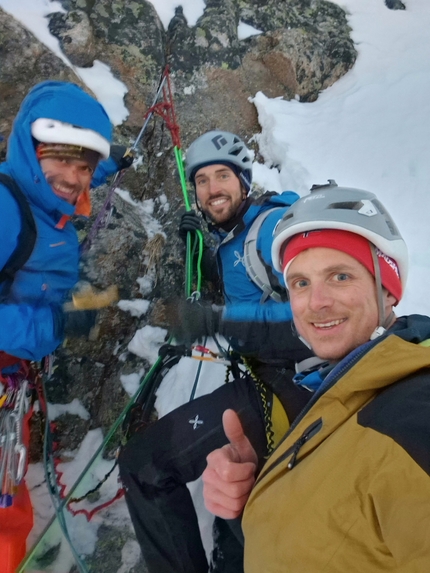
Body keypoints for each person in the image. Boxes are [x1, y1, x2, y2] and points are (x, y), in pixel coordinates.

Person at [202, 180, 430, 572]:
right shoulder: (341, 388)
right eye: (300, 283)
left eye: (340, 276)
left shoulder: (412, 417)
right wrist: (257, 497)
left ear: (388, 289)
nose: (317, 303)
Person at [119, 131, 315, 573]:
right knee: (236, 524)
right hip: (272, 381)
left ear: (244, 180)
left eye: (222, 176)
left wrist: (216, 320)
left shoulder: (272, 229)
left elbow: (310, 314)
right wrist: (206, 255)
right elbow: (246, 289)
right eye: (202, 181)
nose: (212, 190)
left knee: (143, 466)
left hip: (295, 384)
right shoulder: (233, 239)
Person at [0, 80, 132, 573]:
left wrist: (110, 159)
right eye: (62, 159)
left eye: (86, 165)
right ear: (32, 150)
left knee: (8, 506)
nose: (75, 178)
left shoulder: (43, 191)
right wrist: (58, 322)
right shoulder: (6, 208)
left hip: (11, 382)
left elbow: (68, 175)